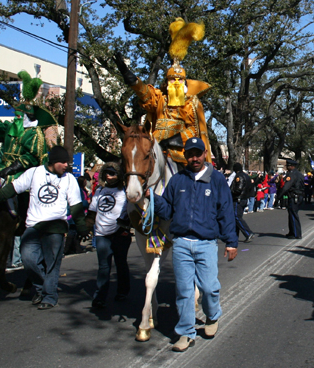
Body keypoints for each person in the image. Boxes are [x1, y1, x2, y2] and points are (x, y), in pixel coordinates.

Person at [152, 137, 237, 352]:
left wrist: (231, 241)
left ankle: (212, 315)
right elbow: (168, 210)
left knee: (209, 288)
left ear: (204, 153)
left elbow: (226, 212)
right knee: (183, 291)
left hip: (206, 243)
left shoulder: (217, 180)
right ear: (185, 156)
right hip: (181, 243)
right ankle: (186, 332)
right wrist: (152, 198)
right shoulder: (178, 180)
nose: (194, 157)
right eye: (190, 154)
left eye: (198, 153)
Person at [0, 145, 88, 309]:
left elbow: (75, 206)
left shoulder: (69, 179)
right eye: (63, 162)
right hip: (33, 226)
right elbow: (11, 190)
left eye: (67, 162)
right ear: (53, 162)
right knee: (28, 260)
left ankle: (49, 296)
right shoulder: (34, 173)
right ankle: (42, 288)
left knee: (52, 264)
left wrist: (82, 227)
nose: (66, 165)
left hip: (56, 227)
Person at [114, 18, 211, 166]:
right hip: (153, 149)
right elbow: (145, 92)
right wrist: (130, 78)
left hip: (180, 154)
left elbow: (194, 129)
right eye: (172, 80)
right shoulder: (160, 98)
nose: (176, 83)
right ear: (166, 83)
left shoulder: (192, 103)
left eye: (179, 80)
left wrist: (174, 140)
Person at [86, 162, 131, 309]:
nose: (108, 176)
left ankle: (123, 291)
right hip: (101, 235)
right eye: (106, 173)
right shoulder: (99, 191)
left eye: (112, 173)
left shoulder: (125, 191)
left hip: (120, 234)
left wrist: (125, 226)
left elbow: (132, 213)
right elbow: (92, 212)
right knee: (103, 267)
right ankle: (100, 296)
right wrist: (85, 228)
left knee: (121, 264)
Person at [230, 163, 256, 243]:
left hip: (238, 199)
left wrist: (231, 192)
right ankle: (235, 236)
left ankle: (248, 233)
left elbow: (238, 188)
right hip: (244, 198)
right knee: (236, 218)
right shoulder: (247, 176)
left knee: (236, 217)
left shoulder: (239, 176)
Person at [280, 159, 305, 239]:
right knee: (291, 214)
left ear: (291, 166)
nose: (287, 167)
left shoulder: (292, 174)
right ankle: (292, 232)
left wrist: (279, 196)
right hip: (298, 196)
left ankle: (296, 233)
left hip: (294, 196)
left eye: (287, 166)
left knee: (293, 214)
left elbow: (286, 187)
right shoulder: (299, 174)